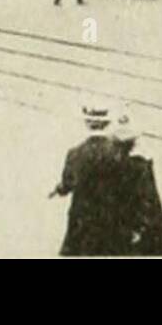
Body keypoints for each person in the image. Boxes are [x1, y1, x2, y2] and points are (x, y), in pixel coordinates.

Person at [51, 103, 124, 256]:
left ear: (87, 123)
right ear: (107, 124)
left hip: (82, 222)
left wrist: (58, 189)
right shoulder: (117, 153)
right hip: (111, 221)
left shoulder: (75, 153)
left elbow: (67, 184)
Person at [108, 125, 162, 256]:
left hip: (118, 232)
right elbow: (149, 200)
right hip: (141, 231)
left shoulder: (110, 167)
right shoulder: (142, 166)